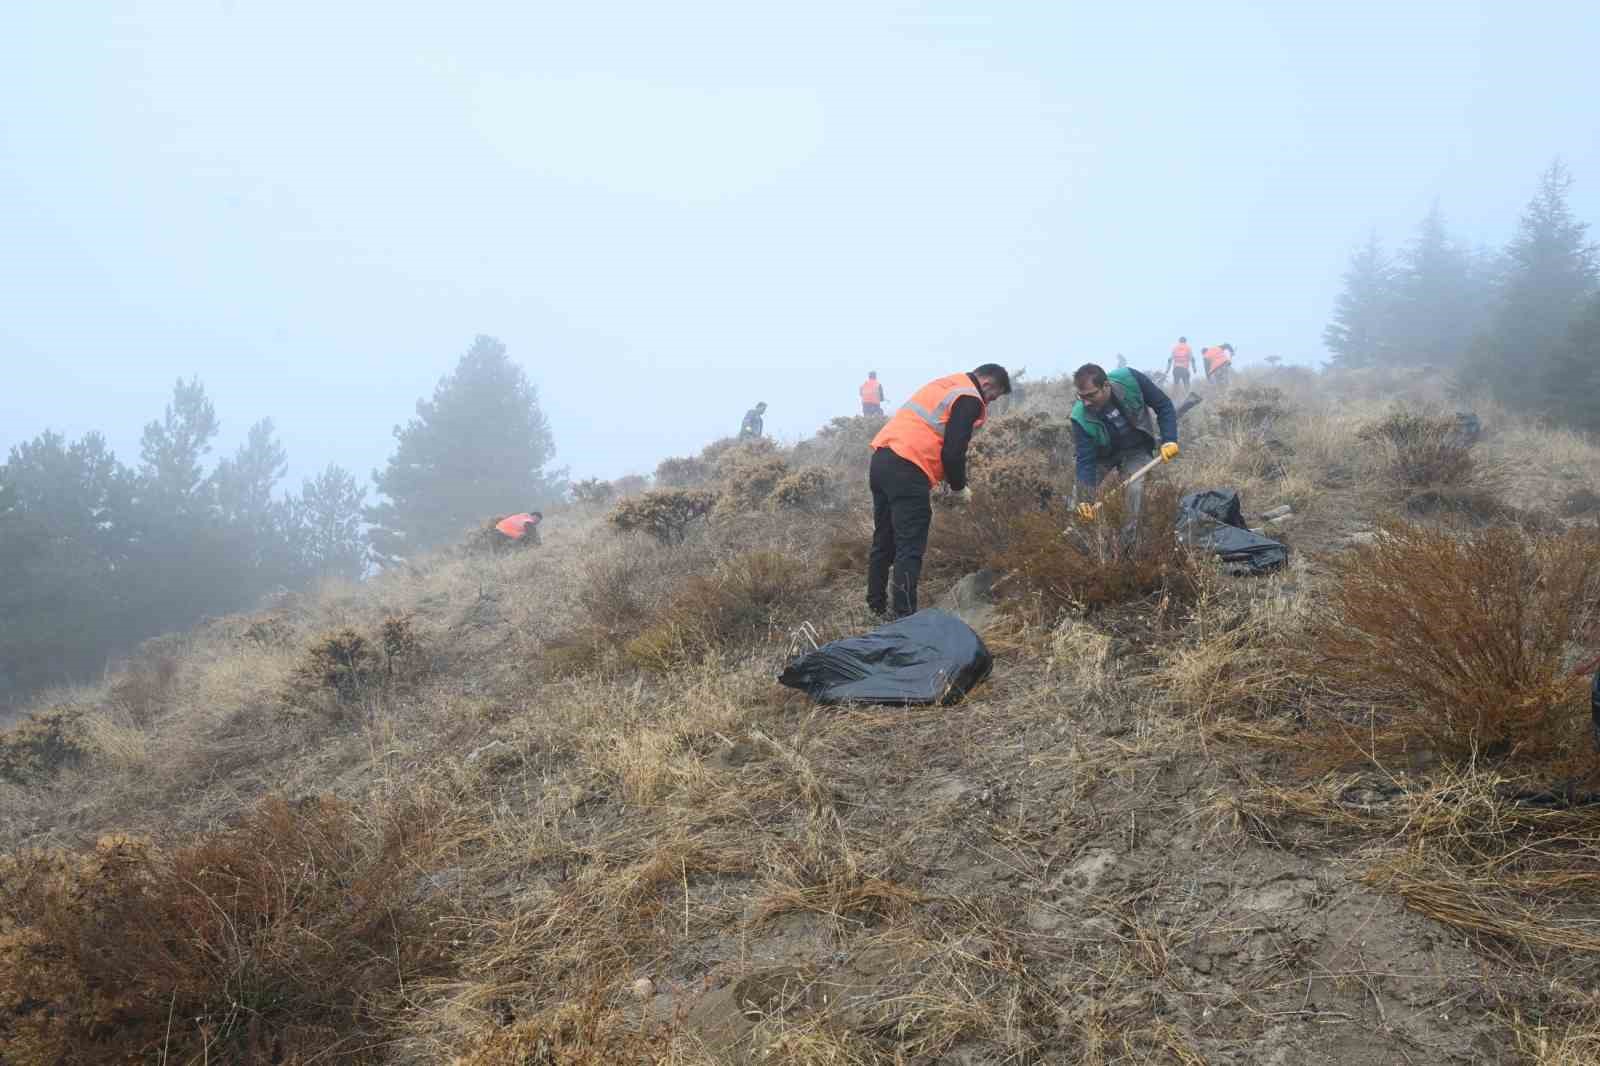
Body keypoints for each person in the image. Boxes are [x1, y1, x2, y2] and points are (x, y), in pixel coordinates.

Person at [866, 364, 1012, 619]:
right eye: (993, 396)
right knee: (909, 545)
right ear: (987, 384)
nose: (989, 401)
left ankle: (875, 605)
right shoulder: (969, 397)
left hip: (882, 459)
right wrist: (959, 488)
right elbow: (954, 451)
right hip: (909, 467)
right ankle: (904, 617)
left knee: (884, 539)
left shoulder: (946, 384)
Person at [1070, 363, 1179, 522]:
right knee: (1078, 504)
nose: (1085, 402)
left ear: (1106, 386)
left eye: (1091, 395)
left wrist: (1169, 440)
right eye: (1081, 396)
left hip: (1136, 449)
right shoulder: (1080, 416)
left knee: (1134, 491)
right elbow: (1085, 460)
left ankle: (1129, 543)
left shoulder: (1130, 380)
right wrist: (1084, 500)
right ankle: (1080, 539)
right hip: (1102, 456)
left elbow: (1163, 405)